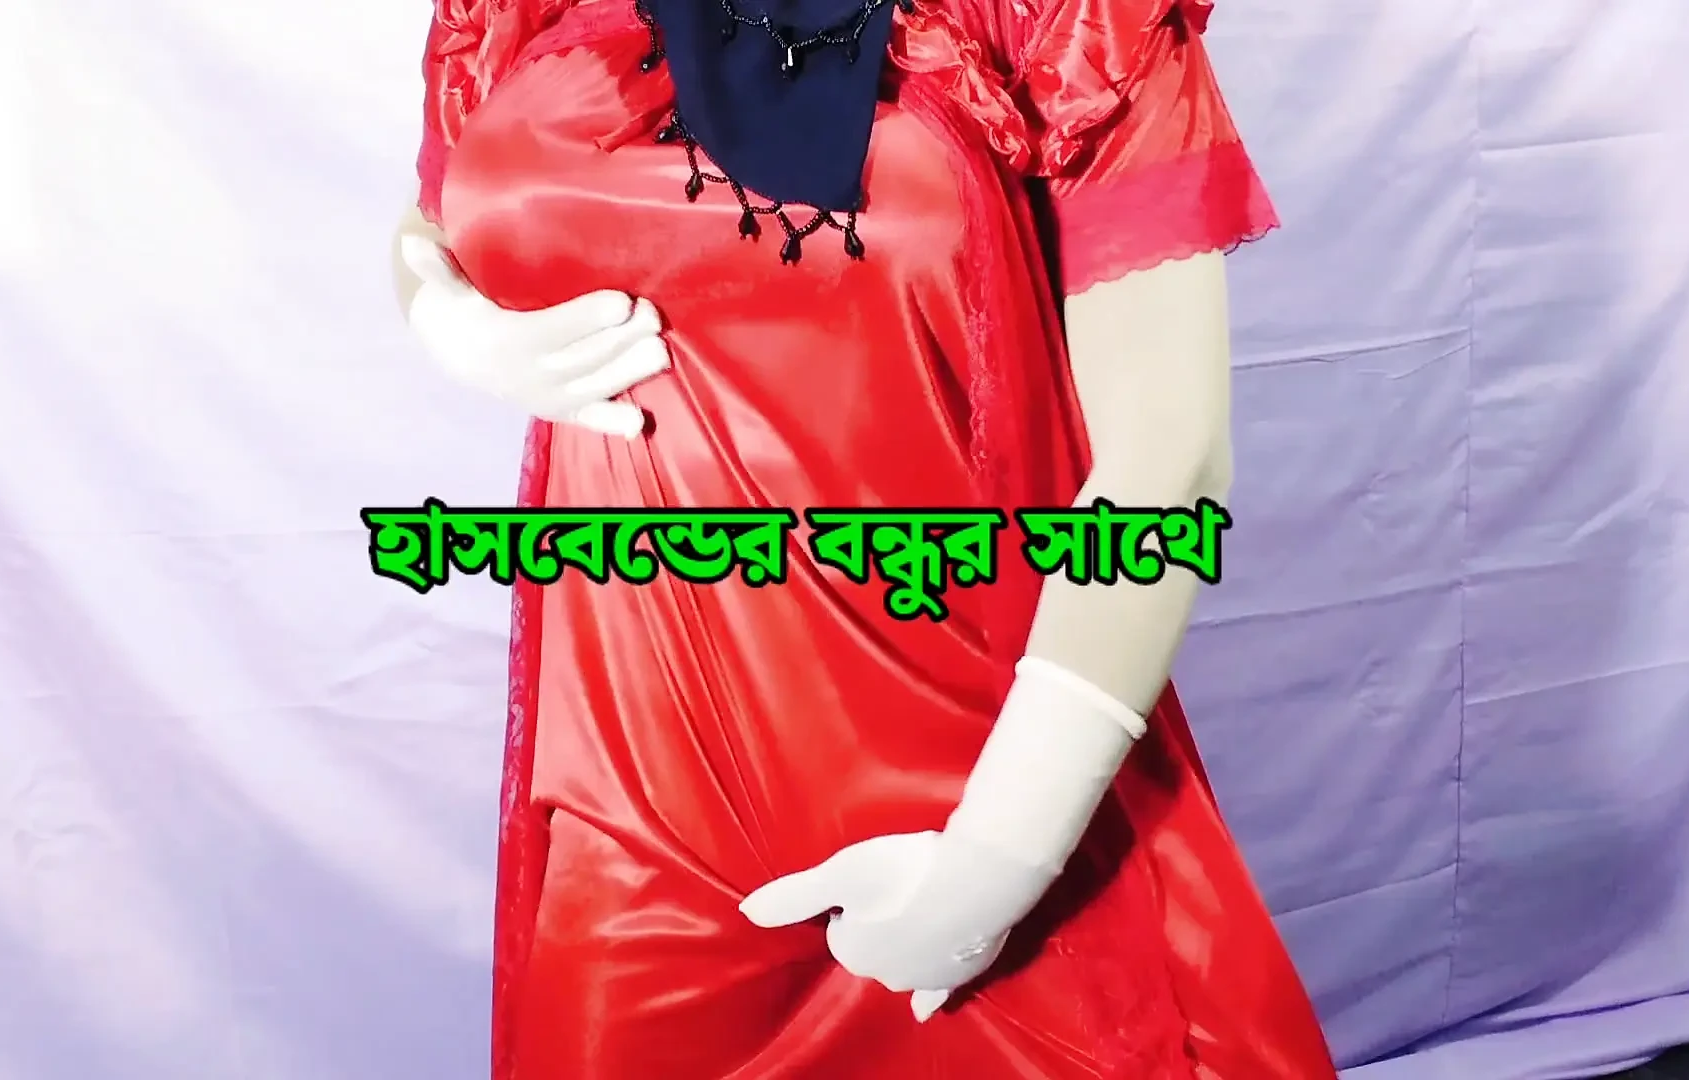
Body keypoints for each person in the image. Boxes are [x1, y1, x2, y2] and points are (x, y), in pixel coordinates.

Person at [392, 0, 1339, 1074]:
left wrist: (1005, 851)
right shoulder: (524, 11)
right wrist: (445, 315)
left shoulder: (1067, 23)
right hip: (637, 806)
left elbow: (1166, 463)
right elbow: (436, 213)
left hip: (963, 789)